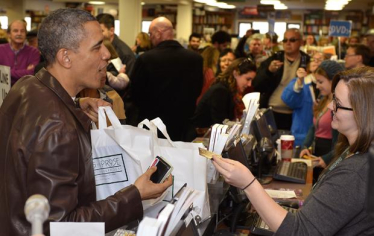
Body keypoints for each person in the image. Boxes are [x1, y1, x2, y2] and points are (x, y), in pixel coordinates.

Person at [0, 9, 172, 235]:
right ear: (66, 57)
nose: (106, 55)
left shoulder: (26, 86)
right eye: (96, 47)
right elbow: (60, 226)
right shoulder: (58, 125)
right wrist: (134, 195)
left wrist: (76, 104)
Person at [213, 66, 374, 235]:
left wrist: (248, 184)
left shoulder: (355, 172)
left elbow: (299, 231)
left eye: (338, 104)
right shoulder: (356, 152)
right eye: (333, 99)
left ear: (362, 113)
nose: (331, 107)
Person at [130, 17, 203, 142]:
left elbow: (135, 93)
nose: (150, 37)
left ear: (158, 33)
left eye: (150, 34)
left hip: (153, 127)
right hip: (183, 127)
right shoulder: (195, 59)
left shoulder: (146, 59)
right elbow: (197, 90)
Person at [253, 28, 310, 130]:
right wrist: (268, 71)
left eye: (292, 40)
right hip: (272, 112)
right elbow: (257, 85)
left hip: (297, 114)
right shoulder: (274, 59)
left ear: (301, 42)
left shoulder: (307, 62)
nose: (288, 43)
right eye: (285, 40)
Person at [298, 61, 344, 182]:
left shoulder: (340, 106)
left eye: (321, 82)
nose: (317, 86)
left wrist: (328, 158)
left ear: (333, 81)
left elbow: (342, 142)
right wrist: (305, 146)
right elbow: (314, 127)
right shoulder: (323, 99)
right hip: (318, 157)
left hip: (328, 158)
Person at [191, 58, 256, 131]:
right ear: (235, 73)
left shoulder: (229, 90)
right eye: (248, 79)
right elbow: (221, 123)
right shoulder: (220, 91)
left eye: (251, 80)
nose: (250, 84)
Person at [281, 51, 325, 147]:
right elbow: (287, 99)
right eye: (314, 59)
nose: (316, 62)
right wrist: (299, 82)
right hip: (302, 137)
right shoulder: (301, 82)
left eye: (320, 60)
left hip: (323, 136)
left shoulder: (329, 85)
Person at [0, 20, 40, 86]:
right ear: (9, 34)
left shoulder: (34, 52)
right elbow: (27, 74)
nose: (19, 34)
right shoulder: (0, 49)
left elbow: (31, 73)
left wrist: (5, 72)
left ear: (25, 34)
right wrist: (24, 72)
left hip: (26, 91)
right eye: (15, 31)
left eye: (22, 31)